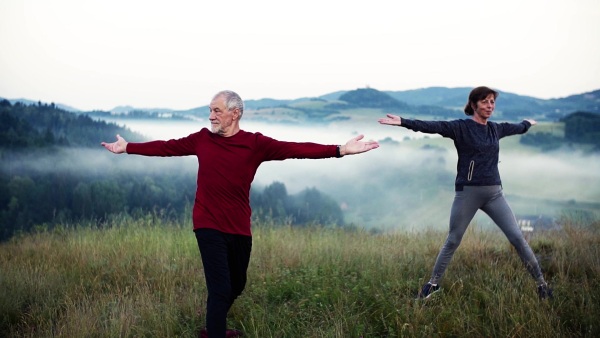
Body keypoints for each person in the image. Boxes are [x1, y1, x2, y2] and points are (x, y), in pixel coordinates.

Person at [101, 90, 380, 338]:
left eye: (216, 110)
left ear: (235, 114)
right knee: (220, 289)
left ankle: (215, 327)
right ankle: (215, 332)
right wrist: (128, 148)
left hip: (238, 227)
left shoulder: (255, 144)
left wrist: (340, 149)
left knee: (237, 284)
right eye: (210, 110)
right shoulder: (201, 140)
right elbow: (166, 147)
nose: (210, 116)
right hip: (207, 223)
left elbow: (295, 149)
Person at [377, 86, 552, 300]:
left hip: (494, 193)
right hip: (467, 193)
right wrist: (404, 122)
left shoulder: (495, 129)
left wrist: (527, 124)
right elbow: (432, 126)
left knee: (517, 237)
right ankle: (432, 285)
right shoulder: (461, 128)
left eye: (492, 102)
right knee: (453, 240)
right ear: (473, 104)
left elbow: (516, 127)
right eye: (485, 102)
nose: (490, 106)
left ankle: (542, 285)